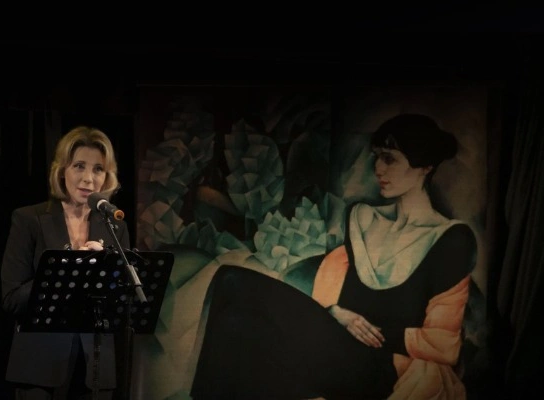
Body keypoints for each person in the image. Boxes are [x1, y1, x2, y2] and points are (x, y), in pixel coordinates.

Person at [190, 114, 477, 399]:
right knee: (234, 311)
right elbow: (334, 290)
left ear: (425, 166)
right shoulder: (363, 217)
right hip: (335, 348)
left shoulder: (451, 238)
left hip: (382, 370)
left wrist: (368, 330)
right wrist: (336, 313)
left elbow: (445, 347)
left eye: (389, 159)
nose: (378, 168)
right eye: (377, 157)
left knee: (234, 282)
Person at [1, 126, 130, 400]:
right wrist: (63, 271)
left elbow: (123, 303)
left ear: (107, 177)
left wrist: (107, 272)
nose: (88, 179)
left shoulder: (115, 227)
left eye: (98, 169)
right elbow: (12, 299)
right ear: (62, 170)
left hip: (96, 368)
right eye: (79, 166)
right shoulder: (29, 219)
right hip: (39, 366)